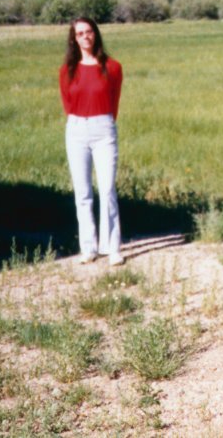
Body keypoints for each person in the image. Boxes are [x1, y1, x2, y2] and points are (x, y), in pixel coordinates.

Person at [59, 17, 125, 265]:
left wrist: (102, 122)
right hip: (76, 130)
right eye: (79, 33)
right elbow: (67, 103)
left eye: (88, 32)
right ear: (74, 39)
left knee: (107, 189)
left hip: (104, 129)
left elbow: (114, 101)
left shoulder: (113, 67)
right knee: (83, 191)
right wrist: (81, 122)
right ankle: (89, 248)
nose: (85, 37)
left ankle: (112, 248)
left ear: (95, 34)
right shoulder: (67, 70)